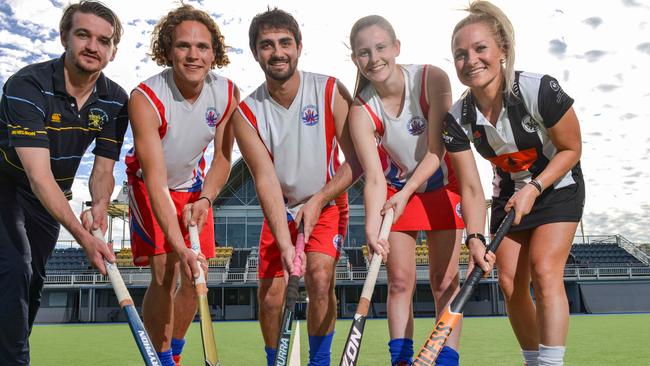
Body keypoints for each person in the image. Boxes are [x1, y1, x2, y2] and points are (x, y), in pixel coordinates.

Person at [443, 1, 585, 365]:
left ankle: (551, 363)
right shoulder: (457, 118)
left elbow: (571, 148)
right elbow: (471, 188)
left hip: (557, 187)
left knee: (543, 270)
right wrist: (474, 237)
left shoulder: (539, 89)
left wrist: (534, 188)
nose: (470, 60)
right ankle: (533, 359)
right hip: (507, 197)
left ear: (502, 50)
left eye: (479, 48)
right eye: (460, 54)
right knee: (508, 284)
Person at [348, 15, 484, 366]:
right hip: (397, 192)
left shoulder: (430, 79)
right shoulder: (361, 110)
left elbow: (436, 153)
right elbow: (375, 179)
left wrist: (405, 193)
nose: (374, 58)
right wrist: (370, 228)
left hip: (442, 185)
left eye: (380, 48)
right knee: (399, 282)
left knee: (444, 281)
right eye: (363, 52)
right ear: (355, 59)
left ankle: (445, 360)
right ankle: (402, 361)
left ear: (396, 48)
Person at [0, 1, 127, 364]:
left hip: (49, 198)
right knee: (14, 268)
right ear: (64, 37)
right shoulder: (27, 84)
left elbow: (103, 170)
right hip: (8, 185)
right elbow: (38, 176)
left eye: (104, 40)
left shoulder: (115, 100)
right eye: (83, 35)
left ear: (112, 50)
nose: (93, 46)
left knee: (32, 286)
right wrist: (83, 236)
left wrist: (99, 207)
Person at [232, 8, 359, 366]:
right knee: (271, 298)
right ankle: (275, 360)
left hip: (327, 203)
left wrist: (319, 200)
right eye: (267, 45)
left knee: (319, 278)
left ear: (299, 46)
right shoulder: (245, 113)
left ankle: (319, 362)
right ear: (256, 53)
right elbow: (265, 180)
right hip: (280, 210)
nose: (277, 52)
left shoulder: (330, 90)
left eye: (285, 42)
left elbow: (358, 162)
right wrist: (286, 244)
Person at [125, 4, 238, 366]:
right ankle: (160, 358)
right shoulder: (145, 98)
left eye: (202, 47)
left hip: (193, 187)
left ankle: (174, 350)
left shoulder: (226, 92)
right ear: (168, 50)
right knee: (165, 273)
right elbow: (157, 182)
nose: (193, 55)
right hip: (149, 188)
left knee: (195, 274)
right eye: (183, 46)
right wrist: (179, 244)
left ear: (214, 53)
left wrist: (205, 200)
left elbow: (222, 158)